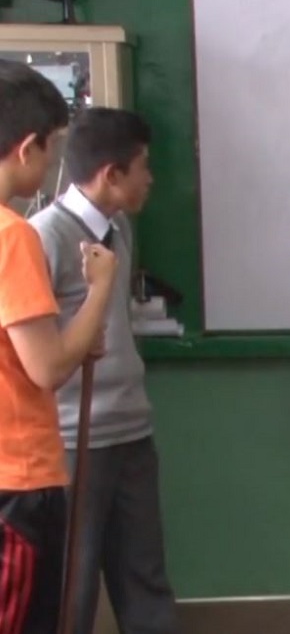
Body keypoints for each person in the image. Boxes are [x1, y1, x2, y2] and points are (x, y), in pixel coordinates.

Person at [29, 107, 179, 634]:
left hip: (131, 428)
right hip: (74, 439)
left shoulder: (119, 227)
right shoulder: (43, 237)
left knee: (146, 578)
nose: (151, 178)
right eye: (144, 166)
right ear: (111, 173)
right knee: (73, 586)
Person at [0, 60, 116, 634]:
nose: (50, 167)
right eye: (49, 150)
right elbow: (46, 367)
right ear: (26, 149)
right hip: (17, 480)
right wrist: (99, 291)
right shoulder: (12, 234)